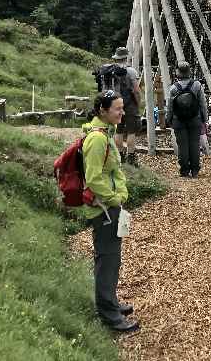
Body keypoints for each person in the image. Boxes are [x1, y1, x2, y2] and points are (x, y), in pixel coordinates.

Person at [79, 90, 139, 333]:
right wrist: (114, 198)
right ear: (103, 111)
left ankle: (110, 301)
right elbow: (93, 177)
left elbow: (112, 171)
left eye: (122, 108)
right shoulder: (97, 139)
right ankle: (109, 315)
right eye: (117, 108)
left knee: (112, 258)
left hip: (110, 206)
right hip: (104, 208)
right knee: (107, 259)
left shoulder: (106, 133)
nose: (122, 112)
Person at [164, 62, 209, 178]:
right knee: (194, 143)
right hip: (195, 119)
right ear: (189, 71)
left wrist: (168, 120)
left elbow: (170, 107)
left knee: (182, 145)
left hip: (178, 120)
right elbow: (202, 104)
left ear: (177, 72)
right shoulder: (197, 85)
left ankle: (184, 170)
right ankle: (195, 170)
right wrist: (205, 118)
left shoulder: (173, 88)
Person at [109, 47, 141, 166]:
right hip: (130, 104)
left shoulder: (111, 71)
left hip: (115, 104)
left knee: (119, 130)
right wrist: (138, 102)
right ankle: (131, 158)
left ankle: (120, 156)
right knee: (131, 131)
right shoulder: (131, 71)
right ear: (126, 57)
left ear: (116, 58)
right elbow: (136, 90)